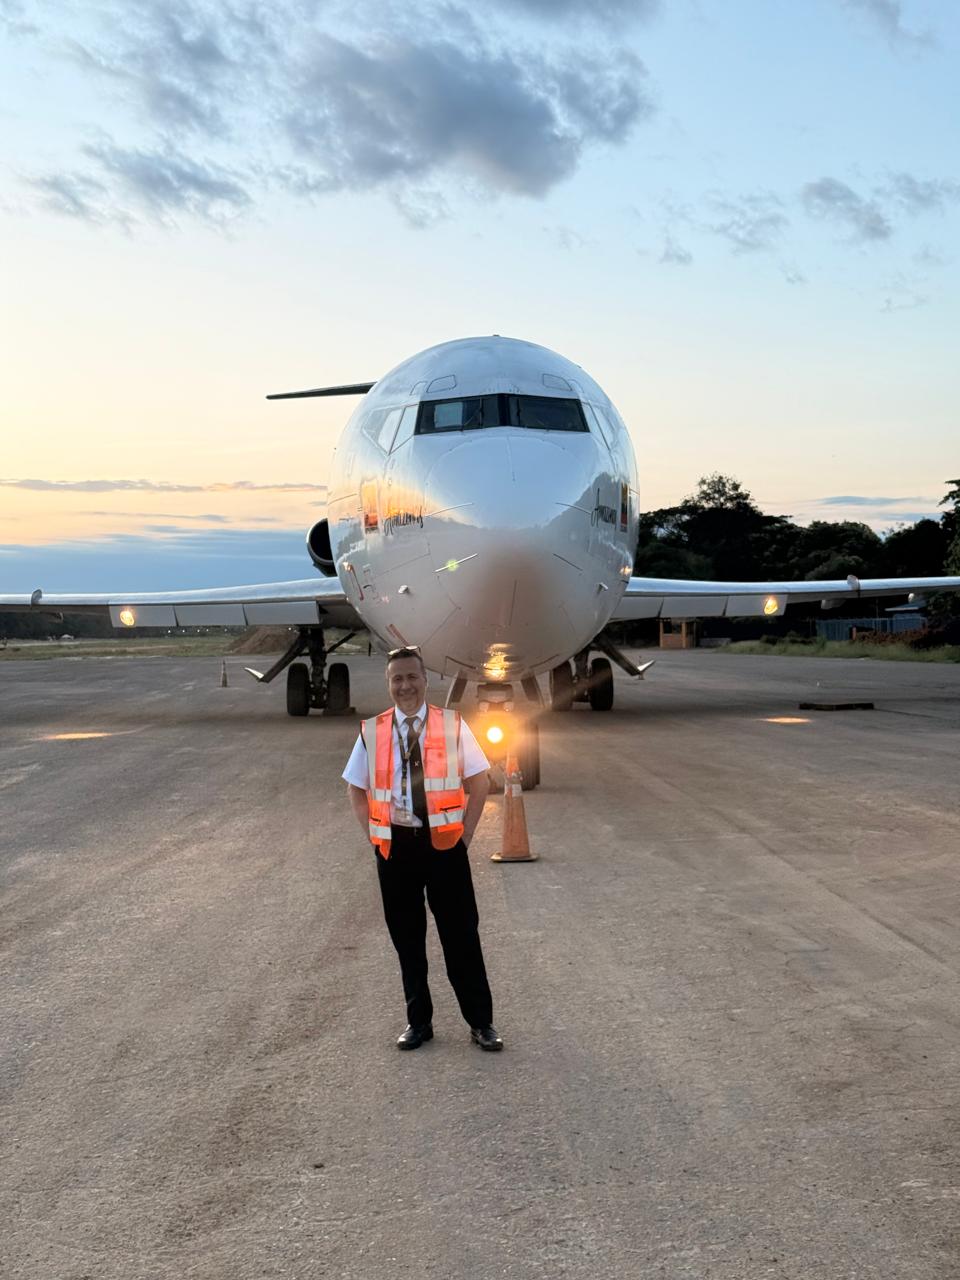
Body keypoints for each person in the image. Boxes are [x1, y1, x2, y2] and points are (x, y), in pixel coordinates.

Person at [343, 647, 503, 1052]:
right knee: (407, 940)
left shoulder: (452, 725)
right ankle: (418, 1022)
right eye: (397, 679)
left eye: (412, 677)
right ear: (388, 683)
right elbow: (355, 789)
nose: (405, 686)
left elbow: (480, 781)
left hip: (445, 847)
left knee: (461, 936)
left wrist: (465, 837)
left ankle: (481, 1023)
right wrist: (374, 836)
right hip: (395, 849)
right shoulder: (373, 731)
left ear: (425, 680)